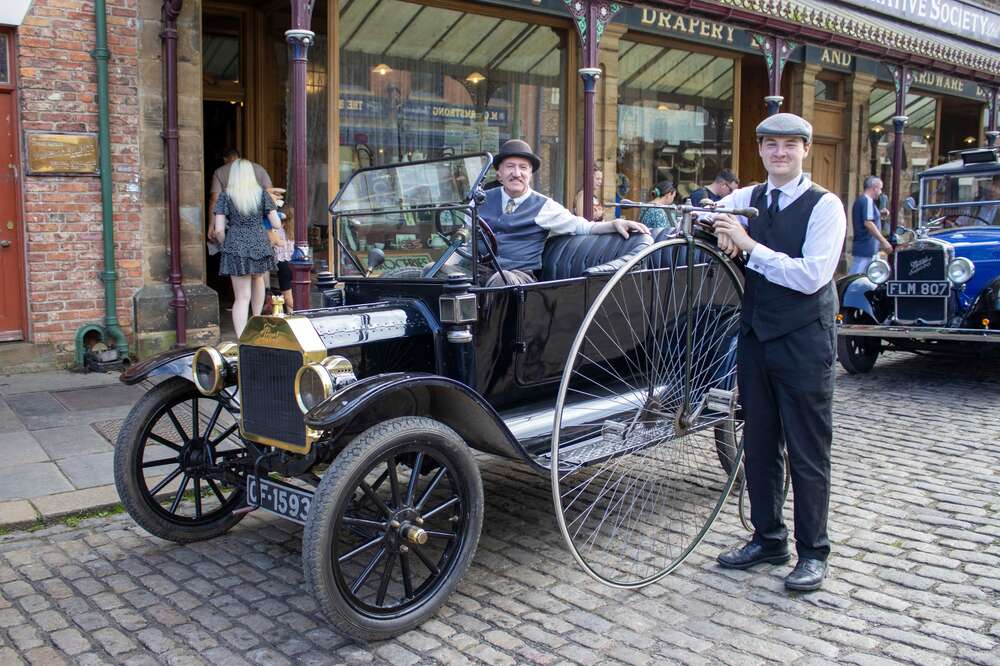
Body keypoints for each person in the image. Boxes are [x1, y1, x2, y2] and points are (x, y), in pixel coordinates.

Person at [710, 113, 846, 592]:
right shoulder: (749, 197)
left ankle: (813, 552)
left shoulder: (825, 206)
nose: (780, 153)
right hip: (756, 336)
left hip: (805, 340)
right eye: (771, 145)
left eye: (790, 144)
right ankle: (768, 538)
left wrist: (747, 244)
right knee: (760, 444)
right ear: (760, 150)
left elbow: (812, 276)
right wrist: (720, 226)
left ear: (806, 150)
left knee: (808, 451)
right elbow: (706, 213)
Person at [478, 139, 648, 286]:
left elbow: (581, 226)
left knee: (502, 279)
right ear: (499, 173)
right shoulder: (480, 200)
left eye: (523, 168)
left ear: (530, 174)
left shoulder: (544, 206)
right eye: (510, 167)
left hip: (518, 279)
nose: (517, 173)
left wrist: (614, 224)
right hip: (479, 271)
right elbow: (464, 241)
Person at [212, 159, 281, 337]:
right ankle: (257, 326)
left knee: (241, 298)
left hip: (236, 244)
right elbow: (277, 223)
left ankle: (242, 338)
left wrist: (226, 242)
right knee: (258, 279)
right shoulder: (262, 195)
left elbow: (219, 229)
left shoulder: (226, 196)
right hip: (259, 242)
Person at [850, 176, 891, 274]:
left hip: (866, 247)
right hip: (866, 246)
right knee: (857, 278)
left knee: (868, 278)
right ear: (874, 188)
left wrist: (879, 215)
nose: (880, 192)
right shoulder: (867, 200)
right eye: (880, 189)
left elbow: (865, 219)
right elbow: (868, 223)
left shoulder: (861, 201)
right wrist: (884, 241)